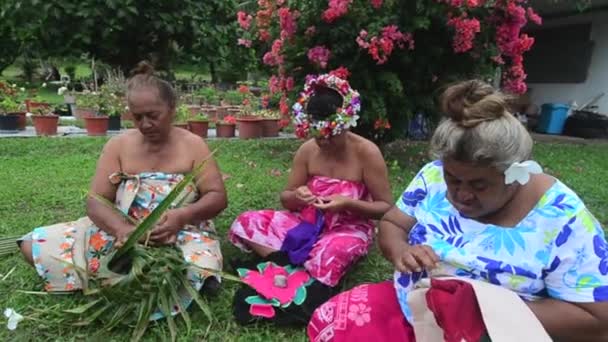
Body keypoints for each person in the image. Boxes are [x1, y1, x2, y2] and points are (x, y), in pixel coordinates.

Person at [308, 80, 608, 341]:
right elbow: (393, 223)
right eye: (453, 179)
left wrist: (482, 310)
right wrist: (400, 250)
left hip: (494, 334)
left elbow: (597, 322)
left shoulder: (561, 217)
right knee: (330, 321)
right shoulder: (434, 175)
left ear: (515, 174)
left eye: (479, 185)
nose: (462, 195)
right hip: (414, 309)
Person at [18, 61, 227, 304]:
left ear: (172, 108)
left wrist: (181, 217)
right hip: (122, 231)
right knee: (33, 244)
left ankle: (184, 279)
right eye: (137, 117)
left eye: (153, 116)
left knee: (196, 268)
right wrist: (123, 231)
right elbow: (96, 202)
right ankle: (121, 274)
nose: (145, 124)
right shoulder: (118, 145)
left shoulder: (193, 145)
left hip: (180, 232)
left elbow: (217, 196)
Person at [228, 74, 392, 323]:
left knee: (333, 251)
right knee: (245, 222)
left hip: (346, 228)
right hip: (304, 224)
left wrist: (347, 203)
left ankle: (292, 263)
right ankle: (289, 262)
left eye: (331, 134)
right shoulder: (308, 150)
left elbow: (384, 208)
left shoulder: (366, 153)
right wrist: (298, 196)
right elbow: (286, 198)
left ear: (346, 124)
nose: (323, 141)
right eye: (318, 134)